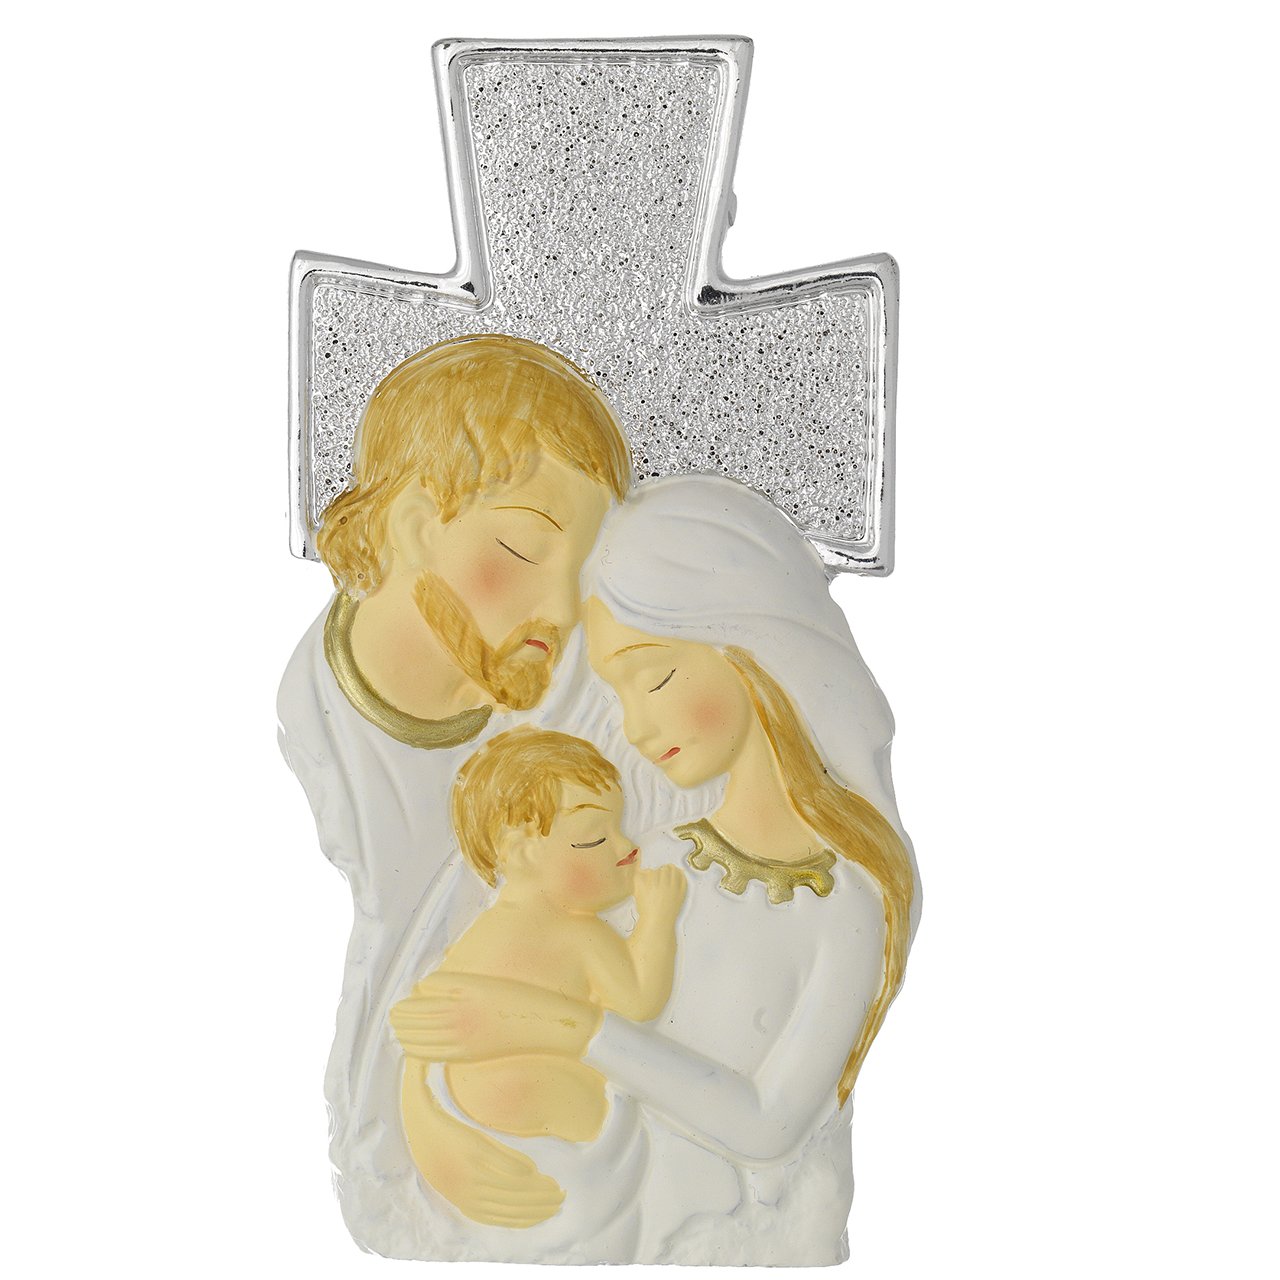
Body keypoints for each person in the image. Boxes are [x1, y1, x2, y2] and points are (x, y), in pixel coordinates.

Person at [393, 474, 920, 1265]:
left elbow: (773, 1125)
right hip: (571, 1200)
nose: (636, 727)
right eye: (619, 690)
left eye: (658, 676)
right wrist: (424, 1121)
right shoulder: (639, 857)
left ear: (750, 649)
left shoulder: (846, 904)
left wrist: (565, 1029)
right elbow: (466, 981)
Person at [277, 334, 634, 1256]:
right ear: (410, 523)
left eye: (585, 568)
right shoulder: (318, 717)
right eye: (525, 546)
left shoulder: (584, 717)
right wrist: (422, 1122)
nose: (564, 608)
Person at [395, 727, 686, 1260]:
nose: (627, 847)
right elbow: (640, 1001)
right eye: (594, 838)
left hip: (532, 1158)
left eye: (620, 827)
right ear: (521, 853)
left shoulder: (479, 934)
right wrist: (657, 920)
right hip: (541, 1163)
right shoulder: (579, 933)